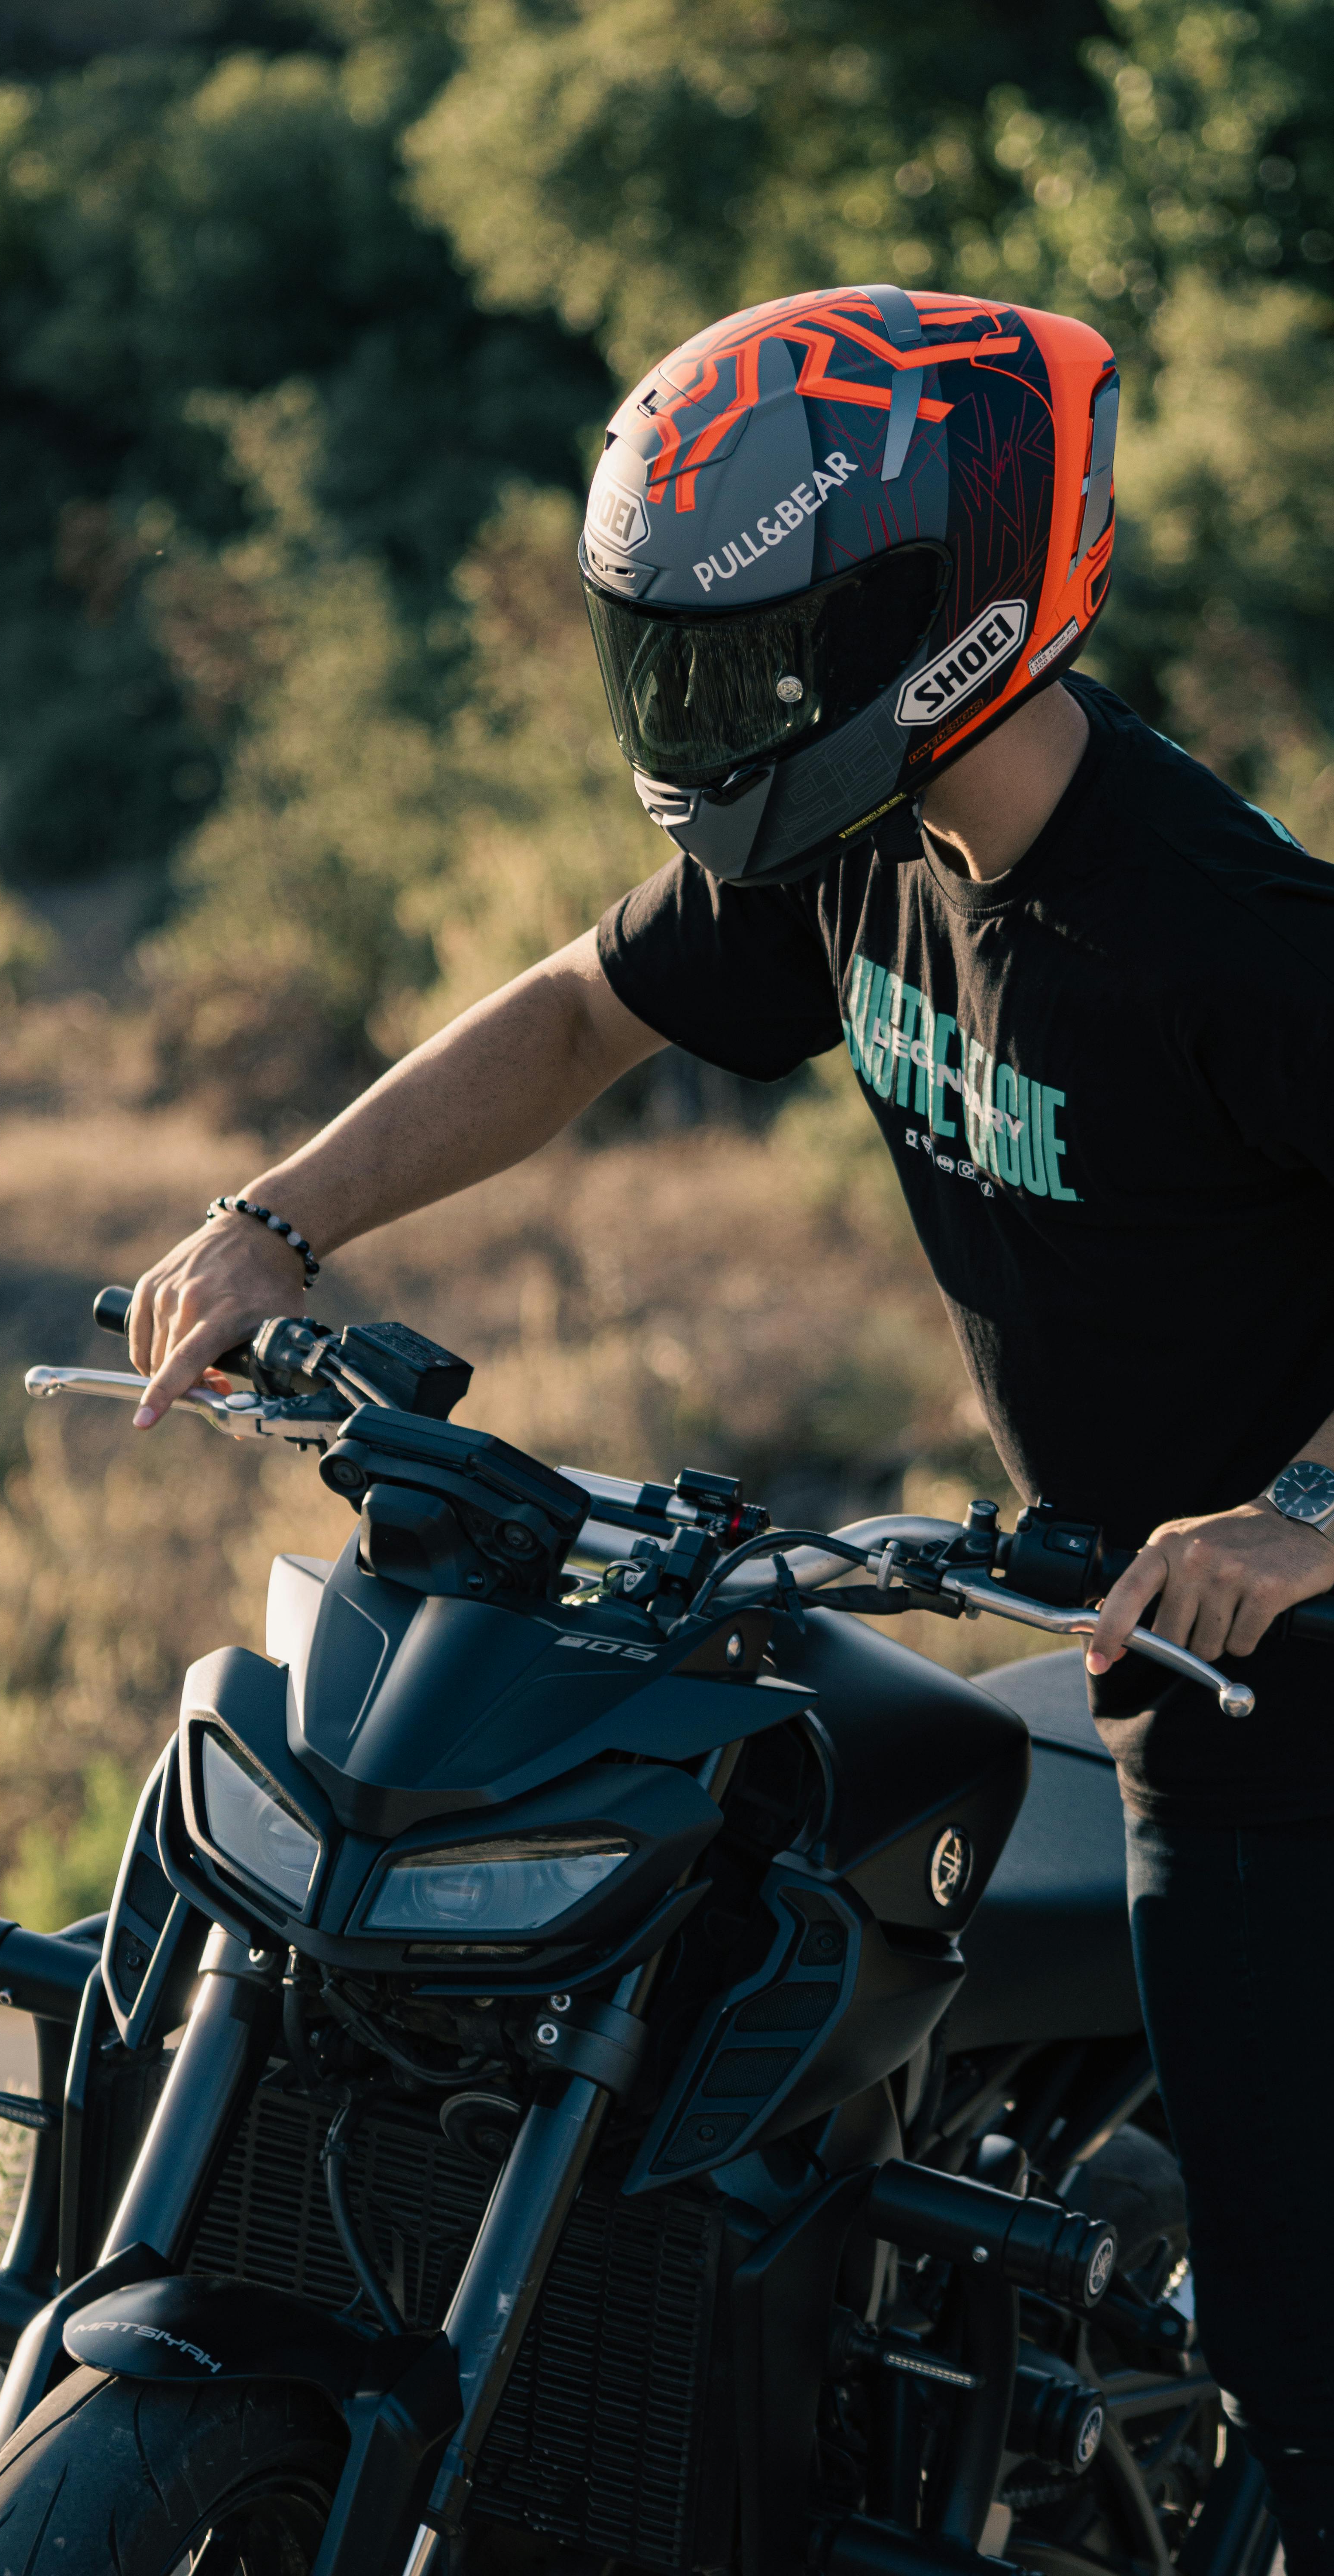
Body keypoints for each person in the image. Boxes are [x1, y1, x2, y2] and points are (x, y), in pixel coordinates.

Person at [128, 285, 1334, 2566]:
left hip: (1296, 1716)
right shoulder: (857, 839)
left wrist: (1310, 1506)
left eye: (749, 657)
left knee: (1316, 2368)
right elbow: (589, 1006)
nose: (706, 715)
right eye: (676, 657)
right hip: (1126, 1640)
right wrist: (280, 1219)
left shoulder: (1224, 932)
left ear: (933, 623)